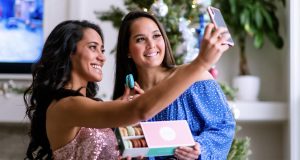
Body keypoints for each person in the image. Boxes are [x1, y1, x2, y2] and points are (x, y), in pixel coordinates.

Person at [24, 19, 229, 160]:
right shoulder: (66, 106)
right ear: (68, 52)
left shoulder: (91, 107)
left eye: (103, 50)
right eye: (93, 47)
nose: (102, 57)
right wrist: (200, 63)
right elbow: (139, 110)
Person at [113, 11, 236, 160]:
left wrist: (199, 148)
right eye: (140, 39)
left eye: (156, 36)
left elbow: (224, 126)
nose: (151, 44)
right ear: (127, 50)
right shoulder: (125, 102)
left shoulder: (195, 78)